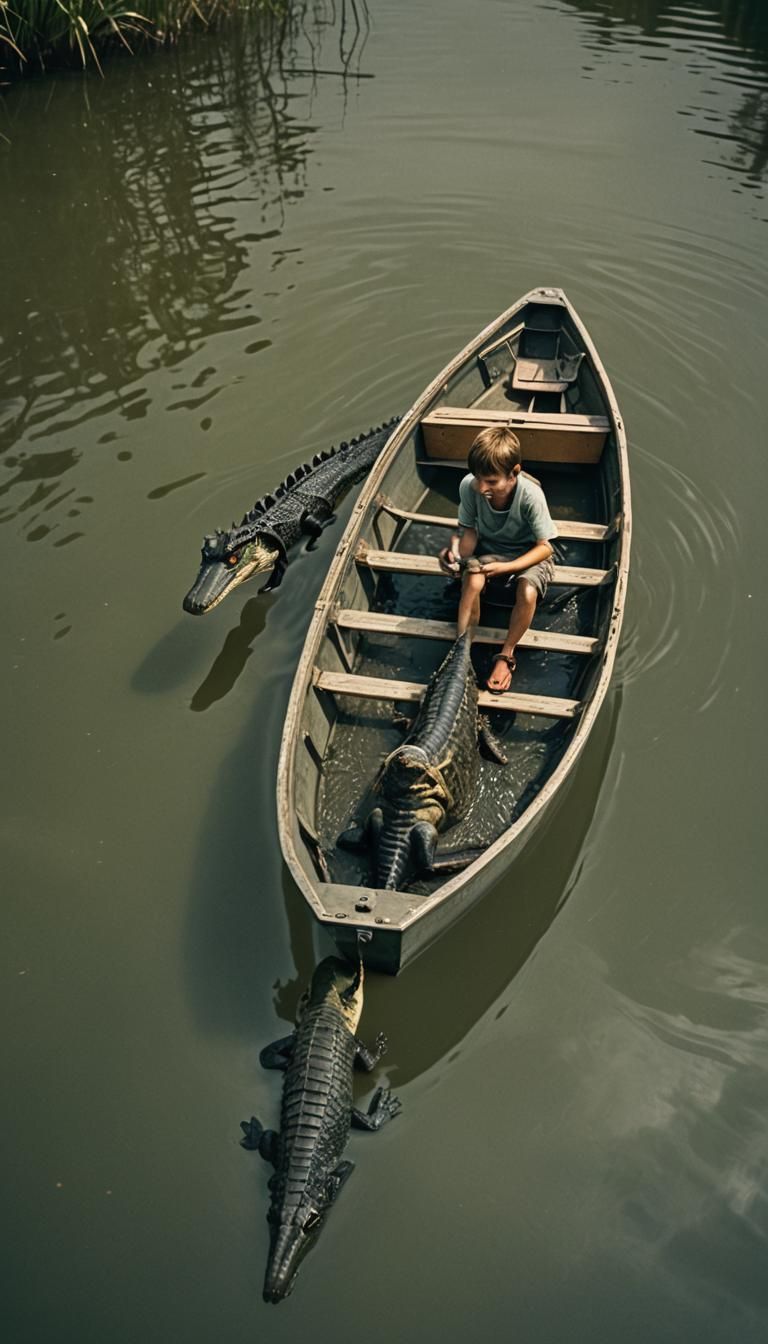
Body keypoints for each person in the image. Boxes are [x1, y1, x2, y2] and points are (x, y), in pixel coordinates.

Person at [438, 424, 557, 693]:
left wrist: (509, 567)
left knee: (527, 592)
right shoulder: (469, 487)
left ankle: (506, 654)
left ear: (514, 473)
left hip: (528, 554)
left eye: (491, 482)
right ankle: (462, 650)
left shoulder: (531, 496)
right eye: (478, 478)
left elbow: (545, 548)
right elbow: (468, 532)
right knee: (472, 582)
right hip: (491, 549)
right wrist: (457, 557)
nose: (482, 488)